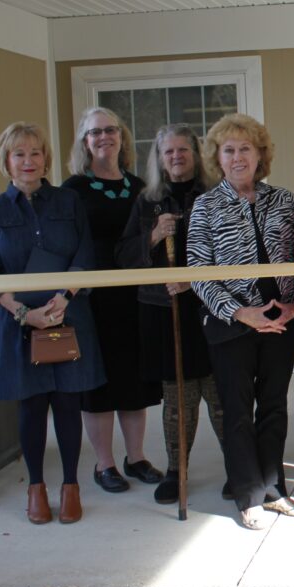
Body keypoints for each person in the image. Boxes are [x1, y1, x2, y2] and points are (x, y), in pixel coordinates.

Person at [0, 122, 105, 524]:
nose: (28, 161)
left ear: (45, 158)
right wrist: (23, 314)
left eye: (35, 153)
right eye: (19, 154)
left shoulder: (68, 202)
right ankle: (36, 488)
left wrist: (63, 299)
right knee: (31, 408)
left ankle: (70, 486)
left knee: (68, 404)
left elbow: (85, 254)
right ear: (6, 161)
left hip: (68, 318)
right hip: (20, 328)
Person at [187, 113, 294, 530]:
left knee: (274, 405)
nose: (238, 157)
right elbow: (198, 271)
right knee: (237, 410)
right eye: (229, 150)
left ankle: (274, 488)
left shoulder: (285, 201)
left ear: (261, 155)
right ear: (217, 158)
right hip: (230, 321)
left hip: (282, 318)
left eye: (246, 149)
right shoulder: (205, 206)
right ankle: (248, 494)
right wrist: (241, 313)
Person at [115, 123, 226, 504]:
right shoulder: (147, 201)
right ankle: (177, 470)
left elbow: (230, 256)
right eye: (168, 152)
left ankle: (237, 465)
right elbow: (124, 256)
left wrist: (194, 284)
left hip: (211, 309)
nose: (176, 157)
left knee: (219, 390)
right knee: (177, 396)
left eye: (183, 150)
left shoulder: (214, 195)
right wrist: (153, 237)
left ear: (196, 154)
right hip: (161, 312)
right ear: (159, 159)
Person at [62, 108, 163, 494]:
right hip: (92, 299)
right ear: (84, 143)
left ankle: (135, 457)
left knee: (133, 380)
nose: (104, 137)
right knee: (100, 383)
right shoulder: (72, 189)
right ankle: (104, 464)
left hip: (135, 297)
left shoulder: (140, 186)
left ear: (122, 137)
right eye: (95, 132)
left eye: (111, 130)